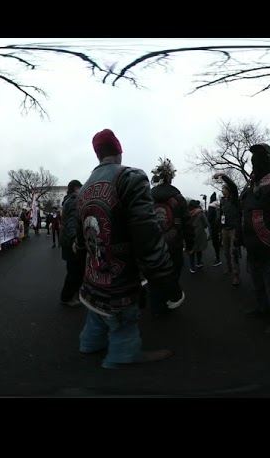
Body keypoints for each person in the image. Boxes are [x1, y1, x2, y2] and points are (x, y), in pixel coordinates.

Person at [75, 129, 183, 369]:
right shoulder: (130, 177)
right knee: (123, 322)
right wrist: (167, 279)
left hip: (93, 275)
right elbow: (148, 236)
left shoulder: (83, 189)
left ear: (98, 155)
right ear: (119, 151)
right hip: (120, 280)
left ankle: (89, 344)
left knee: (96, 314)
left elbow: (80, 238)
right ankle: (123, 355)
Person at [148, 157, 194, 316]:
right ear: (170, 177)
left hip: (153, 245)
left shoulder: (148, 197)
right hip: (174, 246)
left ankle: (155, 305)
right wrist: (190, 243)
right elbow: (187, 223)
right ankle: (169, 299)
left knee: (153, 276)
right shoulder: (179, 198)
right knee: (173, 273)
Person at [239, 143, 270, 326]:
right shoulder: (251, 185)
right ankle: (262, 309)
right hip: (252, 247)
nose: (255, 162)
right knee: (257, 284)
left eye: (260, 157)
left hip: (268, 249)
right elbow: (245, 211)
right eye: (253, 158)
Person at [214, 171, 242, 286]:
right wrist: (220, 229)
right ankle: (229, 268)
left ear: (229, 190)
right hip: (224, 229)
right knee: (225, 251)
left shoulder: (234, 198)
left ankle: (236, 275)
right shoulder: (223, 201)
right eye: (222, 189)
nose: (222, 190)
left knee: (233, 252)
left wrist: (223, 176)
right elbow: (221, 216)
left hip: (233, 229)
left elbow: (234, 186)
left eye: (224, 188)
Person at [59, 179, 84, 307]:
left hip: (66, 240)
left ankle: (74, 294)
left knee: (74, 270)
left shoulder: (68, 200)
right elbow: (73, 222)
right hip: (71, 242)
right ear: (76, 189)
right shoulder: (74, 201)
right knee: (75, 271)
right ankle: (67, 297)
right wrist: (75, 238)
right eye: (81, 188)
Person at [187, 199, 209, 273]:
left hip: (189, 234)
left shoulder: (186, 213)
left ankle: (192, 267)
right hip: (199, 234)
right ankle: (198, 263)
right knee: (199, 248)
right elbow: (206, 224)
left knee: (191, 250)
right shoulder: (200, 213)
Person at [207, 192, 222, 267]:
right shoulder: (219, 205)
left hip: (213, 226)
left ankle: (218, 257)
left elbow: (209, 218)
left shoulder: (211, 206)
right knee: (219, 241)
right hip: (220, 226)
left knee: (215, 242)